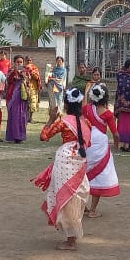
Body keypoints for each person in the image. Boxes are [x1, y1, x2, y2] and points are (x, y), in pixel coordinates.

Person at [33, 88, 92, 251]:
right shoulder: (87, 122)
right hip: (79, 162)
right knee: (74, 196)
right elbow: (89, 143)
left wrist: (51, 119)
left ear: (66, 104)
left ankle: (71, 240)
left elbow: (44, 136)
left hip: (65, 161)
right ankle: (72, 236)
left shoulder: (64, 122)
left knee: (66, 198)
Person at [84, 84, 119, 218]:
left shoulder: (87, 109)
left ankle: (83, 206)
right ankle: (92, 210)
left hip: (87, 141)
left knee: (84, 173)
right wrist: (116, 147)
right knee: (99, 175)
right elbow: (115, 134)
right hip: (101, 145)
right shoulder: (108, 114)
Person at [112, 59, 130, 151]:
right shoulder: (121, 75)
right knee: (124, 124)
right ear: (129, 66)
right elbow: (123, 86)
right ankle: (122, 144)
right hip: (123, 105)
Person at [4, 56, 29, 143]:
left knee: (21, 116)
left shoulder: (25, 71)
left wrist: (23, 76)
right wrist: (14, 72)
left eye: (21, 62)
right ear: (14, 62)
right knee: (14, 116)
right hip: (12, 96)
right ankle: (13, 136)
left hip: (22, 96)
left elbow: (28, 81)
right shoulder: (11, 70)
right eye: (17, 62)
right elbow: (8, 81)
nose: (19, 63)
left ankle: (20, 136)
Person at [24, 57, 42, 124]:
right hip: (25, 88)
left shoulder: (35, 68)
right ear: (25, 61)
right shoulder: (23, 68)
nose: (29, 61)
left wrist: (31, 71)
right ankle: (25, 118)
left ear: (32, 61)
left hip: (33, 88)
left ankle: (30, 118)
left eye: (30, 60)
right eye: (27, 60)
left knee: (33, 104)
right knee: (26, 104)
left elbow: (37, 77)